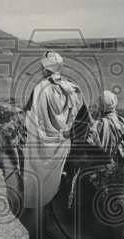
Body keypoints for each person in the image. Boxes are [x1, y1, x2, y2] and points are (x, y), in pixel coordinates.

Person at [21, 51, 83, 212]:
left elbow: (30, 118)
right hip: (66, 143)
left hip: (45, 146)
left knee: (30, 161)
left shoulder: (40, 88)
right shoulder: (72, 88)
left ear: (46, 68)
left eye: (42, 66)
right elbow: (80, 116)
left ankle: (36, 201)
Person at [89, 90, 124, 169]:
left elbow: (89, 146)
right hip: (120, 171)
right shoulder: (122, 123)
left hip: (100, 171)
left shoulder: (98, 125)